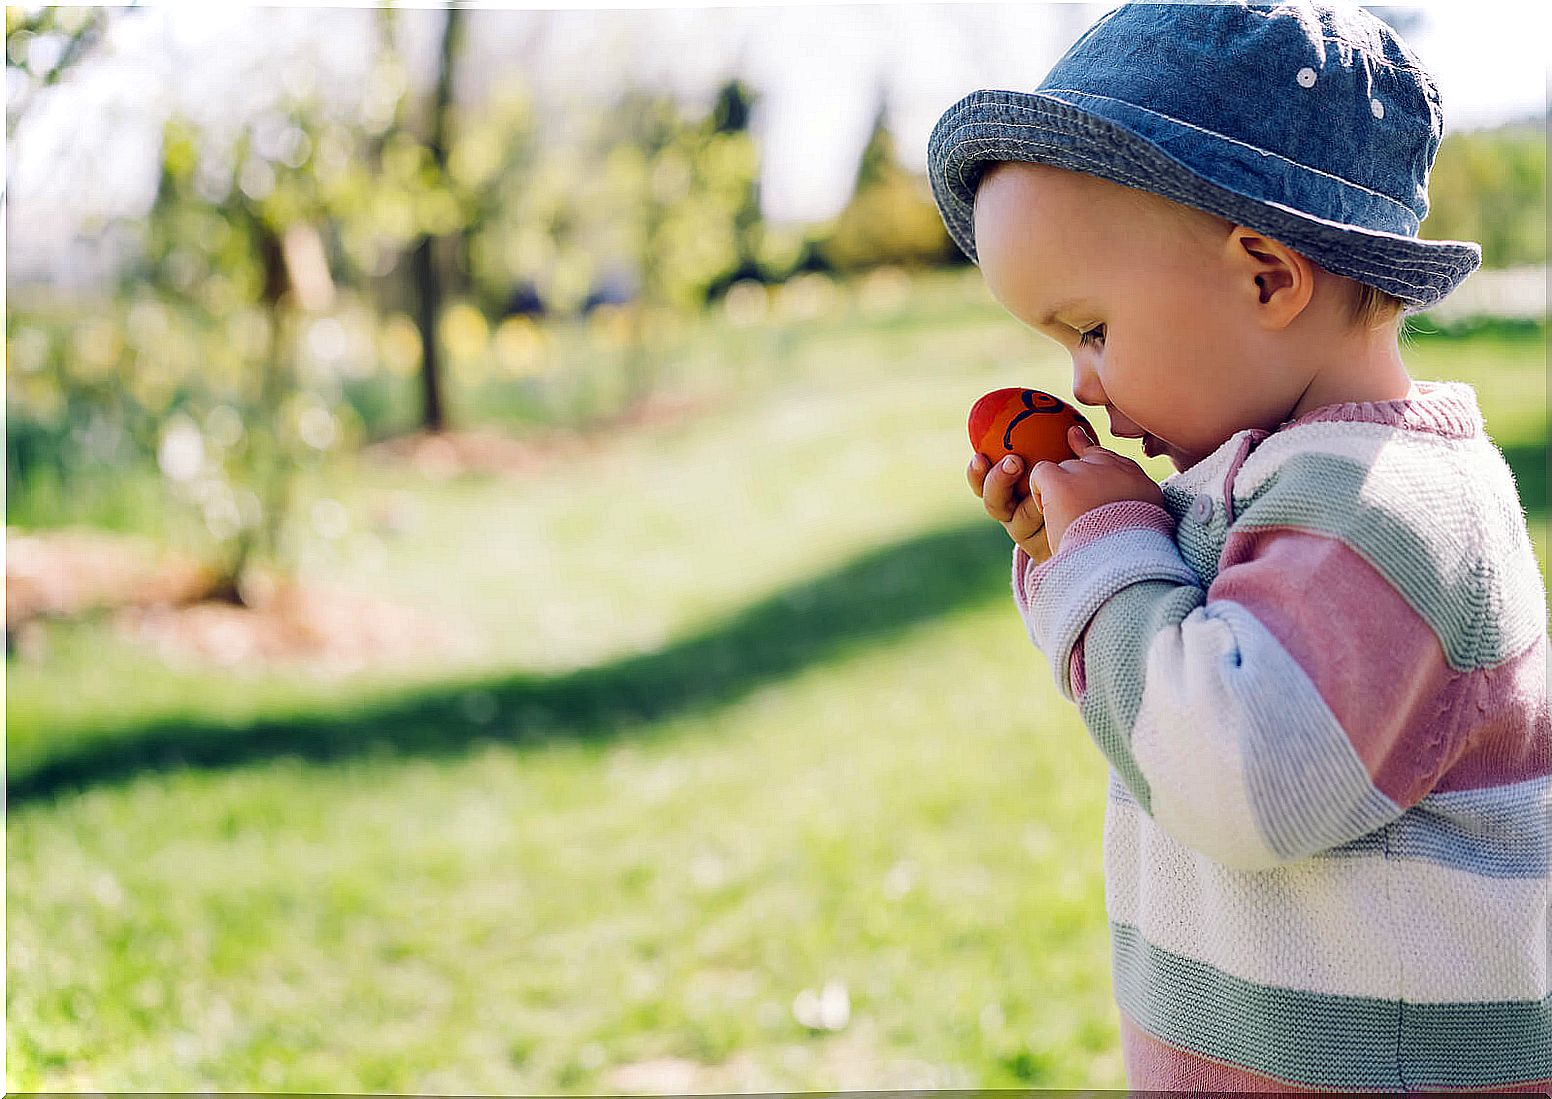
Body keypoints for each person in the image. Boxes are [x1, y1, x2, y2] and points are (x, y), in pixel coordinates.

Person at [927, 2, 1549, 1092]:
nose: (1080, 382)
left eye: (1091, 329)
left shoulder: (1389, 502)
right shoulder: (1277, 483)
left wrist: (1109, 554)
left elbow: (1238, 774)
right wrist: (1071, 553)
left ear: (1265, 275)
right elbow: (1159, 705)